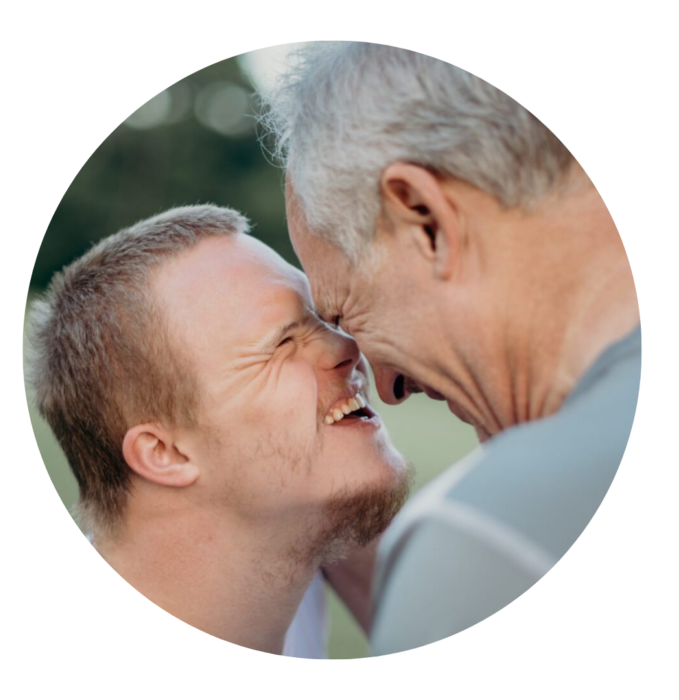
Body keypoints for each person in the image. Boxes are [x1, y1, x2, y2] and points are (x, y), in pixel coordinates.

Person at [259, 40, 679, 655]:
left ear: (426, 220)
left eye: (347, 309)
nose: (388, 390)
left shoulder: (499, 541)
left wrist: (454, 566)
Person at [24, 204, 412, 660]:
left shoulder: (286, 531)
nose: (349, 345)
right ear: (164, 452)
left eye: (325, 319)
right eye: (283, 343)